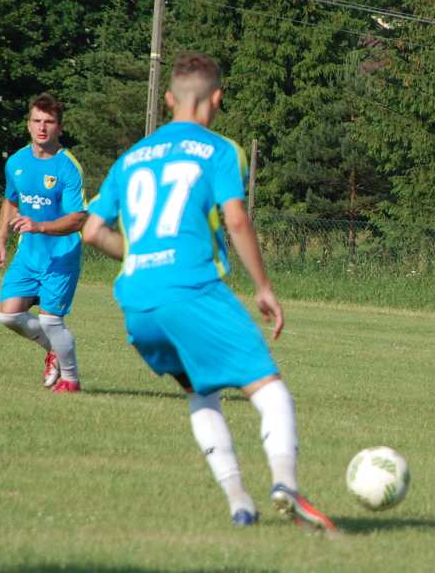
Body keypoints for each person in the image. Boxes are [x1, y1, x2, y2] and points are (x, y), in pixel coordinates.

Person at [82, 52, 336, 533]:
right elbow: (236, 218)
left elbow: (93, 231)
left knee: (200, 390)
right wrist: (263, 286)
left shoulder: (130, 158)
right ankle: (286, 483)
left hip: (137, 300)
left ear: (168, 98)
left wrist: (138, 257)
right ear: (216, 99)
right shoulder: (220, 150)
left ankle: (238, 498)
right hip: (192, 287)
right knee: (270, 388)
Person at [0, 93, 86, 393]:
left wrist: (39, 225)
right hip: (28, 254)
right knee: (9, 314)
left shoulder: (68, 167)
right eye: (37, 121)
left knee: (51, 321)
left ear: (59, 127)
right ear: (28, 124)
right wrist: (1, 240)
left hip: (61, 255)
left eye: (49, 122)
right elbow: (10, 200)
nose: (42, 127)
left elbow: (78, 219)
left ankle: (70, 380)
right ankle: (54, 351)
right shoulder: (16, 162)